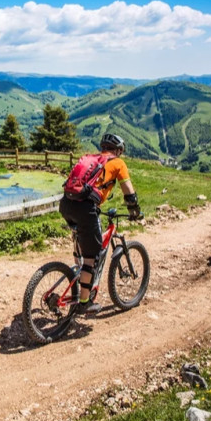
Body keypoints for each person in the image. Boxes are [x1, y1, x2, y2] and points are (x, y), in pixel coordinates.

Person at [59, 133, 140, 314]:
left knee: (84, 238)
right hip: (85, 208)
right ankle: (85, 302)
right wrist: (135, 211)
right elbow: (129, 191)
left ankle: (80, 270)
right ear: (118, 150)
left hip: (66, 204)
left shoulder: (91, 158)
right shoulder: (118, 163)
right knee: (92, 257)